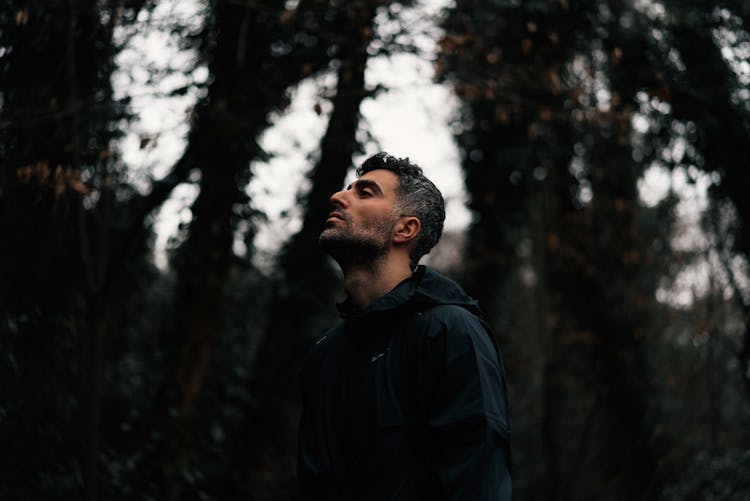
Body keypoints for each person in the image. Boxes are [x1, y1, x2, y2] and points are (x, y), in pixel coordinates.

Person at [297, 152, 511, 500]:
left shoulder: (451, 331)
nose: (338, 196)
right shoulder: (324, 356)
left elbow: (477, 481)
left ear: (405, 229)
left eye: (364, 192)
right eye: (347, 188)